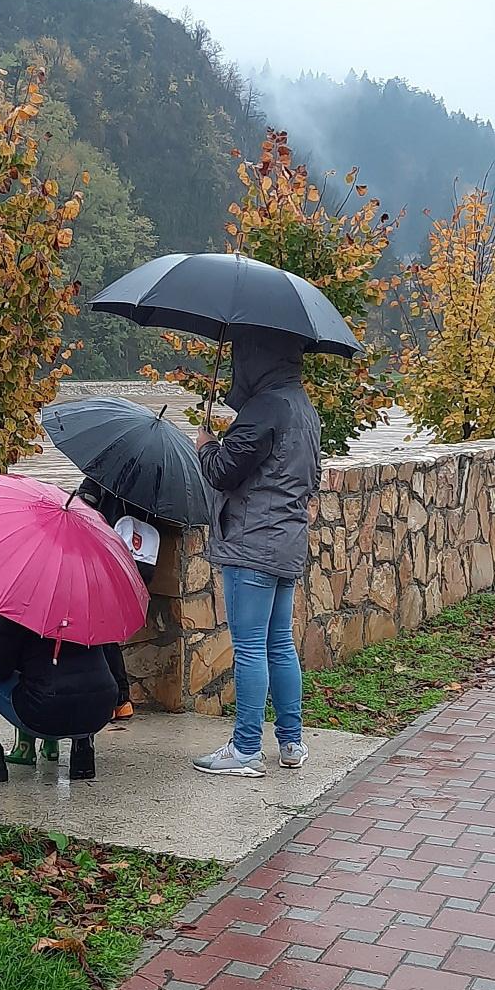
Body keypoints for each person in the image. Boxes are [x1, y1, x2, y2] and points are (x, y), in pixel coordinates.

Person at [192, 332, 321, 777]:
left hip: (252, 544)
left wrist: (207, 444)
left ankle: (245, 748)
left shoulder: (265, 407)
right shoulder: (304, 408)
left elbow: (226, 472)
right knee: (279, 644)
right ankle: (291, 743)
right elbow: (309, 477)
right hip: (287, 541)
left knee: (249, 647)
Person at [0, 614, 118, 783]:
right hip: (99, 712)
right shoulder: (88, 603)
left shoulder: (19, 604)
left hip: (43, 714)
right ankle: (83, 752)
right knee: (82, 678)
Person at [77, 476, 160, 720]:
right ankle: (121, 700)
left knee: (98, 630)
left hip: (108, 556)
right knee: (107, 630)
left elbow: (86, 505)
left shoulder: (105, 469)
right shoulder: (153, 476)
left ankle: (115, 699)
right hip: (140, 562)